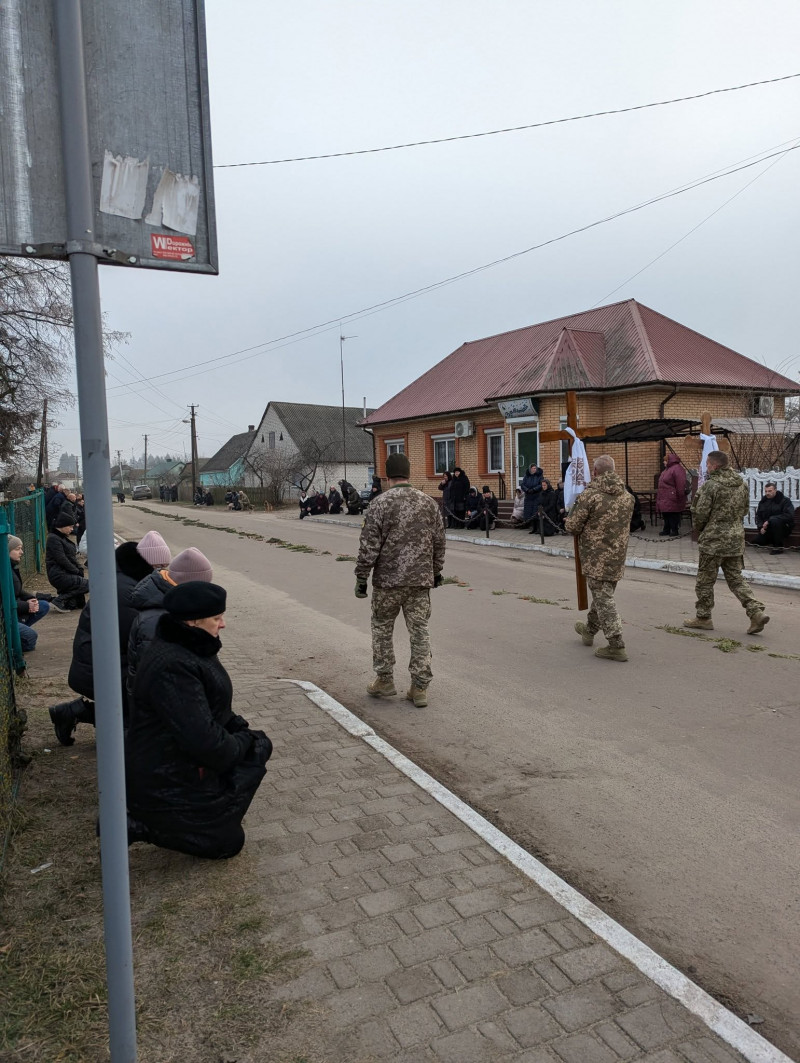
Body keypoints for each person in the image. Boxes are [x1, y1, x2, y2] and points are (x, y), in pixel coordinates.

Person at [126, 582, 273, 858]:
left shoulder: (189, 646)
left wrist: (240, 730)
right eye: (217, 618)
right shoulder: (173, 665)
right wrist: (243, 738)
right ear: (193, 621)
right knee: (227, 843)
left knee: (259, 745)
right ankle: (142, 825)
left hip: (183, 764)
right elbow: (207, 744)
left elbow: (214, 709)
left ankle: (212, 813)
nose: (223, 624)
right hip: (165, 778)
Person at [48, 531, 171, 746]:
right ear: (148, 564)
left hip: (98, 664)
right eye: (160, 567)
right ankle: (123, 746)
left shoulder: (124, 580)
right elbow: (140, 637)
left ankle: (72, 712)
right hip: (97, 670)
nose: (164, 573)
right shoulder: (126, 591)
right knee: (148, 698)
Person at [355, 452, 446, 708]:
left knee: (382, 628)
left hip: (387, 582)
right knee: (420, 632)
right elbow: (439, 542)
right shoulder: (429, 503)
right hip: (419, 582)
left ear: (387, 475)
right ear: (408, 473)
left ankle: (385, 679)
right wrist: (436, 571)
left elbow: (369, 546)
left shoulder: (380, 504)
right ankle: (419, 687)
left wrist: (362, 577)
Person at [685, 451, 769, 634]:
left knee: (705, 581)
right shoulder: (742, 484)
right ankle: (755, 612)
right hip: (735, 539)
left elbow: (701, 514)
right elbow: (745, 510)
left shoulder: (711, 486)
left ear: (715, 465)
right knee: (736, 579)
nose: (707, 467)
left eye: (708, 464)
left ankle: (703, 617)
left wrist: (700, 528)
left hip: (713, 541)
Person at [565, 455, 635, 662]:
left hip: (595, 556)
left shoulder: (590, 495)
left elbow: (573, 526)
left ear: (595, 472)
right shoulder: (627, 496)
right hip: (617, 555)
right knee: (603, 594)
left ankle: (616, 644)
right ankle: (589, 630)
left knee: (603, 598)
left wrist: (569, 520)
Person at [127, 547, 214, 701]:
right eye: (204, 585)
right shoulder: (158, 621)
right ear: (190, 585)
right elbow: (158, 681)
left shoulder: (167, 606)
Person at [9, 535, 51, 653]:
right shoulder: (4, 570)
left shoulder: (10, 567)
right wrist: (27, 606)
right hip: (6, 615)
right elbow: (5, 601)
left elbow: (18, 590)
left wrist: (31, 599)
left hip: (15, 610)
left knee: (43, 605)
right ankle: (12, 645)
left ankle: (16, 632)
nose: (21, 552)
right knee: (31, 637)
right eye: (17, 549)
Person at [46, 508, 89, 611]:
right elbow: (61, 559)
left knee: (74, 603)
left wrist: (79, 569)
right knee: (88, 585)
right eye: (70, 526)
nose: (72, 529)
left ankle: (61, 600)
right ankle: (59, 600)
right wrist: (76, 570)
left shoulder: (61, 537)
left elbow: (69, 557)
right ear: (62, 526)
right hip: (59, 574)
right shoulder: (54, 539)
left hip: (64, 573)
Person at [754, 481, 795, 554]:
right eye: (766, 491)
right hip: (767, 527)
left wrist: (770, 520)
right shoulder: (763, 501)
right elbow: (758, 516)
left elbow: (789, 515)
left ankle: (778, 547)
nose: (767, 493)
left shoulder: (784, 500)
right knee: (757, 542)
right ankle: (771, 541)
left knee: (775, 521)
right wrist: (760, 527)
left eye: (770, 491)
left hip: (783, 527)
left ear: (775, 490)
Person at [656, 453, 688, 536]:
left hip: (673, 497)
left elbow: (680, 484)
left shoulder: (677, 469)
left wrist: (680, 496)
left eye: (665, 460)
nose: (664, 462)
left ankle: (674, 530)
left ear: (669, 460)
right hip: (665, 496)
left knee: (673, 514)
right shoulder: (667, 469)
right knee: (666, 513)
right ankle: (666, 529)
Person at [521, 463, 543, 531]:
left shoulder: (539, 476)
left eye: (535, 468)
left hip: (536, 496)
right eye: (532, 468)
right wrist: (527, 490)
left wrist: (534, 489)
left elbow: (540, 485)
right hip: (528, 496)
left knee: (535, 512)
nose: (534, 470)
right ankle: (529, 525)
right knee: (528, 512)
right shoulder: (526, 476)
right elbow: (523, 484)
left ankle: (536, 527)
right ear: (530, 469)